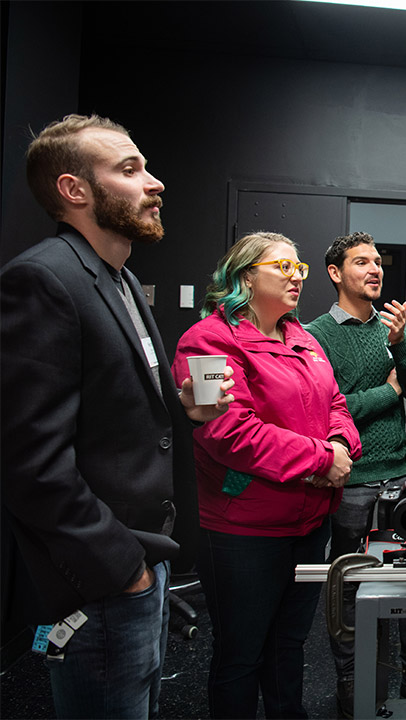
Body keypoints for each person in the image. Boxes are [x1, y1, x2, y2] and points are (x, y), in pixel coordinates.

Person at [0, 113, 234, 719]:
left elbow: (121, 415)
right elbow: (30, 464)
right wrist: (122, 570)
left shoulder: (122, 279)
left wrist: (182, 409)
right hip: (104, 578)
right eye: (130, 170)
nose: (154, 183)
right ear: (74, 190)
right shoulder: (42, 279)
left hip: (144, 565)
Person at [171, 231, 361, 719]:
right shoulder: (208, 340)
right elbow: (228, 432)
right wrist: (321, 460)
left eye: (300, 269)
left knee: (288, 647)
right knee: (240, 656)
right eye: (283, 267)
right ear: (245, 276)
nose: (297, 277)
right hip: (244, 531)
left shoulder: (303, 337)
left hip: (308, 523)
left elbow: (335, 404)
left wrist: (340, 445)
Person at [306, 232, 406, 717]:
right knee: (351, 587)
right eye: (361, 262)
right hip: (353, 483)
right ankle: (353, 680)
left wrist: (402, 344)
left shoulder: (391, 328)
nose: (375, 269)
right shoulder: (316, 335)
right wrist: (388, 392)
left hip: (402, 478)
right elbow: (327, 412)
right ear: (335, 273)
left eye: (378, 262)